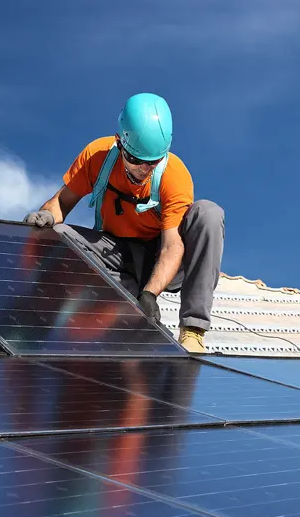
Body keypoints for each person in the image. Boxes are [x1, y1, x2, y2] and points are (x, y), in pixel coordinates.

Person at [23, 92, 224, 353]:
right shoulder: (96, 156)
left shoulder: (174, 176)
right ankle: (42, 315)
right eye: (136, 160)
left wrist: (150, 294)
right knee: (57, 234)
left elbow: (172, 246)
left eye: (152, 162)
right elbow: (61, 203)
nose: (144, 170)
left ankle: (193, 330)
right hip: (117, 256)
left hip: (163, 259)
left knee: (208, 214)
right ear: (120, 142)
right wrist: (47, 218)